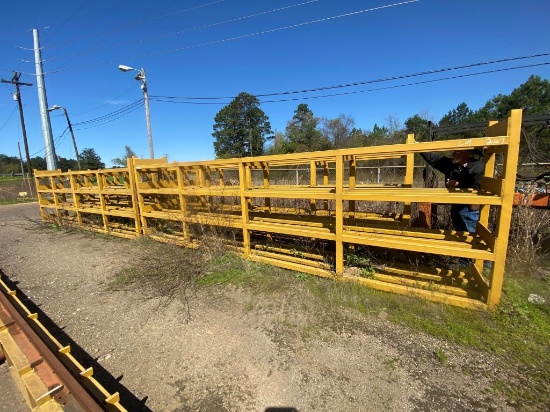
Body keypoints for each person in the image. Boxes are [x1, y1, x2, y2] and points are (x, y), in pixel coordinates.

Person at [420, 149, 484, 233]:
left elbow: (478, 187)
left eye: (456, 152)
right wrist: (419, 148)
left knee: (472, 237)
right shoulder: (451, 164)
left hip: (470, 210)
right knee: (460, 234)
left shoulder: (478, 167)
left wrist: (458, 185)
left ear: (466, 154)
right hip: (456, 207)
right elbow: (435, 159)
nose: (452, 154)